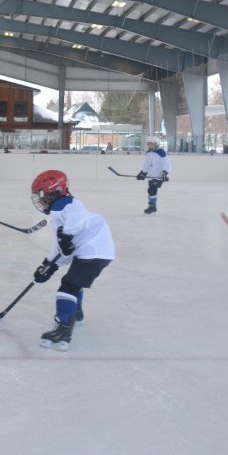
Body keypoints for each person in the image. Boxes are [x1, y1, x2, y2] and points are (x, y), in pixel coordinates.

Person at [30, 170, 115, 351]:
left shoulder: (67, 204)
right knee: (71, 282)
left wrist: (66, 236)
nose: (41, 200)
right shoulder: (59, 212)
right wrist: (48, 265)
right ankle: (76, 314)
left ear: (56, 192)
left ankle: (63, 330)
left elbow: (76, 220)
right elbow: (61, 248)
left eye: (43, 195)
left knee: (68, 287)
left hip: (94, 251)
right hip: (97, 251)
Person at [136, 137, 171, 214]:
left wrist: (165, 173)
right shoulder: (148, 153)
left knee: (152, 190)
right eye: (149, 144)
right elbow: (147, 164)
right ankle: (152, 206)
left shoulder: (161, 152)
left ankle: (152, 206)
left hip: (159, 175)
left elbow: (167, 164)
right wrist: (143, 173)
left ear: (157, 144)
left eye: (153, 144)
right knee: (150, 190)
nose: (151, 146)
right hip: (152, 175)